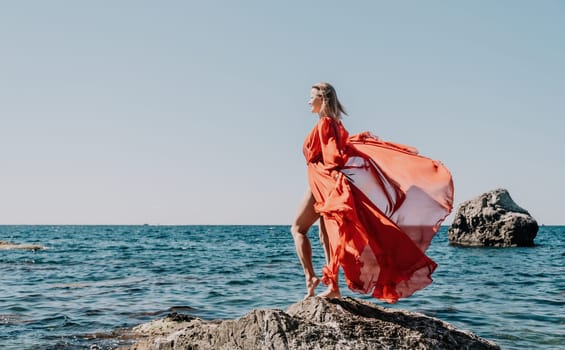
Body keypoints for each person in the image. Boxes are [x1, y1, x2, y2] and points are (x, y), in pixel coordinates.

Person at [290, 82, 454, 303]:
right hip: (321, 183)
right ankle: (332, 286)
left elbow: (333, 158)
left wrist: (336, 175)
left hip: (324, 183)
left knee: (299, 229)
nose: (308, 101)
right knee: (327, 235)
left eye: (312, 97)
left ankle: (312, 278)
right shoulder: (335, 124)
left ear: (323, 99)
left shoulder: (325, 124)